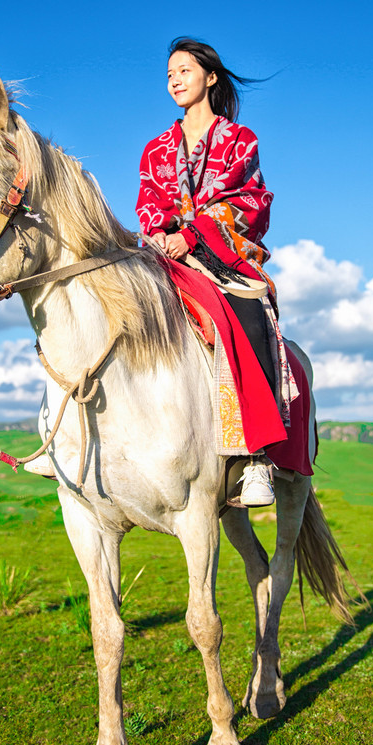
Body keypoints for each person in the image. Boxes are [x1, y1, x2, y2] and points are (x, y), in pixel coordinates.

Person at [136, 37, 280, 507]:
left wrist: (193, 235)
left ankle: (257, 458)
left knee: (249, 314)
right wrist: (158, 234)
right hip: (165, 255)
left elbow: (250, 203)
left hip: (222, 256)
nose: (175, 80)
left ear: (210, 77)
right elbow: (148, 202)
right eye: (170, 73)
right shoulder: (156, 148)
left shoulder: (241, 141)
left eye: (185, 71)